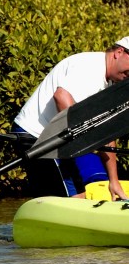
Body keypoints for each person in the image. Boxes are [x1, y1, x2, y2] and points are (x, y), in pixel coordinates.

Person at [13, 38, 129, 198]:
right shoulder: (89, 66)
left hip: (59, 141)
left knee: (79, 196)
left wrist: (114, 181)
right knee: (67, 199)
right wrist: (89, 135)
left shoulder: (109, 84)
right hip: (36, 136)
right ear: (119, 53)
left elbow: (107, 135)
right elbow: (61, 97)